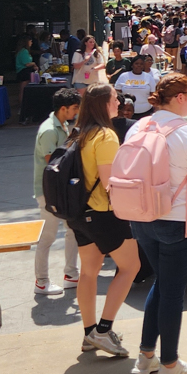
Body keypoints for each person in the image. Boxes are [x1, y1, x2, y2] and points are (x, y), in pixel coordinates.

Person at [130, 73, 187, 374]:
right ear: (180, 97)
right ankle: (169, 364)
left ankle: (146, 356)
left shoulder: (138, 126)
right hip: (179, 220)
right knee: (172, 292)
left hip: (141, 217)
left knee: (162, 283)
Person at [69, 83, 142, 358]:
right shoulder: (106, 135)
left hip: (80, 212)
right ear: (103, 104)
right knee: (131, 266)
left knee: (88, 271)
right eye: (114, 98)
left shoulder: (80, 133)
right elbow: (110, 181)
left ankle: (90, 334)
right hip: (103, 212)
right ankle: (103, 329)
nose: (119, 102)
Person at [32, 86, 81, 296]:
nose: (76, 112)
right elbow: (53, 164)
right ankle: (41, 281)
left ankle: (71, 274)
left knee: (71, 231)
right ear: (64, 108)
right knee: (48, 236)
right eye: (74, 108)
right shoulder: (50, 130)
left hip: (62, 189)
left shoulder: (63, 125)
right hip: (49, 190)